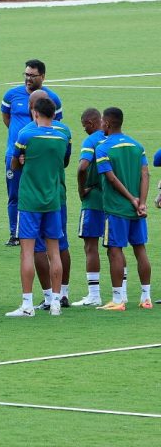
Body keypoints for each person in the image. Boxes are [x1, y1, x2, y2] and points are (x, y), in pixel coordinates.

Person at [5, 96, 69, 317]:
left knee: (27, 253)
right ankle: (56, 303)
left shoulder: (26, 135)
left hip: (30, 202)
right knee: (55, 252)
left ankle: (27, 304)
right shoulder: (62, 137)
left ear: (35, 113)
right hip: (53, 201)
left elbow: (15, 163)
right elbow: (64, 161)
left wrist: (22, 161)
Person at [0, 59, 63, 246]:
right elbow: (7, 118)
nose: (28, 78)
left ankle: (41, 231)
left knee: (41, 193)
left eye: (32, 75)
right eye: (26, 74)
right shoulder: (11, 95)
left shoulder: (53, 99)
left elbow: (56, 126)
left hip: (39, 159)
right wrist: (18, 140)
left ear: (42, 76)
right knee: (14, 194)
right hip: (14, 153)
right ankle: (15, 233)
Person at [95, 107, 152, 310]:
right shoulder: (137, 145)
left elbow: (111, 179)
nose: (101, 124)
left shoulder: (103, 148)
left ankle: (118, 299)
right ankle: (146, 297)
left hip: (117, 208)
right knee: (140, 249)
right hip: (138, 210)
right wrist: (142, 202)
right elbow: (145, 175)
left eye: (102, 121)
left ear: (108, 124)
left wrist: (131, 199)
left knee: (115, 250)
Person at [73, 108, 106, 306]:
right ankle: (122, 293)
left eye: (84, 125)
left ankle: (94, 295)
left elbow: (82, 167)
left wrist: (81, 189)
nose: (84, 129)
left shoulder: (91, 140)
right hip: (114, 200)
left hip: (93, 198)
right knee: (116, 247)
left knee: (90, 245)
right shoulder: (116, 139)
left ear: (92, 123)